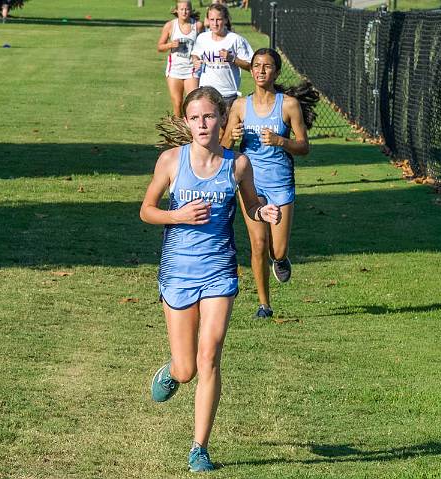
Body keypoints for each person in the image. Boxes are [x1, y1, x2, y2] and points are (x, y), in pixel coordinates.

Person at [140, 86, 280, 472]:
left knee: (210, 356)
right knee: (187, 368)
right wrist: (178, 216)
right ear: (186, 122)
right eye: (195, 118)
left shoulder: (238, 165)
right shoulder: (171, 161)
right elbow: (147, 210)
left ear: (222, 119)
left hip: (219, 270)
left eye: (209, 116)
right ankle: (171, 371)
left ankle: (199, 447)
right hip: (178, 272)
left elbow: (251, 203)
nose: (203, 124)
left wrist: (263, 212)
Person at [221, 48, 318, 319]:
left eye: (267, 66)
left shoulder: (288, 105)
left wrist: (280, 141)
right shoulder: (240, 106)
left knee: (277, 249)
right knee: (258, 244)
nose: (261, 71)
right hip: (251, 184)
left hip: (280, 183)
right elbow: (224, 147)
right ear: (250, 71)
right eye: (256, 66)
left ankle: (281, 259)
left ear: (276, 72)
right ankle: (264, 305)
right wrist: (232, 133)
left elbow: (303, 147)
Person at [191, 3, 253, 112]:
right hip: (206, 92)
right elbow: (195, 54)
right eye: (212, 19)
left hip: (227, 94)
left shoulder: (235, 40)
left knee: (226, 129)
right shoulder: (202, 38)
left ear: (225, 20)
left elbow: (251, 66)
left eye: (218, 19)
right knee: (209, 128)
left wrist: (233, 59)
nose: (215, 24)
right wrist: (195, 61)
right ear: (208, 20)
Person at [157, 1, 204, 116]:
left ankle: (191, 132)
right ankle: (178, 132)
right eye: (182, 9)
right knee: (177, 103)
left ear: (191, 10)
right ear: (176, 10)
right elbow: (159, 47)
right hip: (174, 70)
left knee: (192, 103)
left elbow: (204, 44)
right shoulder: (170, 26)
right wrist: (170, 45)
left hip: (192, 70)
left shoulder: (197, 26)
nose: (184, 12)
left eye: (187, 9)